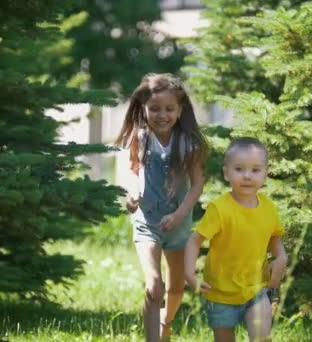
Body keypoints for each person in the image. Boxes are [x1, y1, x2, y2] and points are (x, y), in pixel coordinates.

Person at [115, 73, 208, 342]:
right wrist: (131, 193)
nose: (162, 115)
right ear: (143, 108)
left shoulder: (188, 143)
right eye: (154, 108)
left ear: (180, 110)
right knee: (154, 284)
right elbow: (129, 171)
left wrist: (180, 215)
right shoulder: (139, 137)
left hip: (179, 227)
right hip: (147, 223)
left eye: (169, 109)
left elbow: (197, 185)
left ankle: (165, 325)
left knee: (176, 287)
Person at [184, 137, 287, 342]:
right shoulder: (220, 209)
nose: (247, 176)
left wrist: (281, 257)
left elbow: (274, 237)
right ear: (226, 173)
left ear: (265, 173)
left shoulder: (268, 207)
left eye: (255, 170)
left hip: (256, 287)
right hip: (220, 292)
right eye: (239, 169)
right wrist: (190, 275)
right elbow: (194, 241)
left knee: (261, 337)